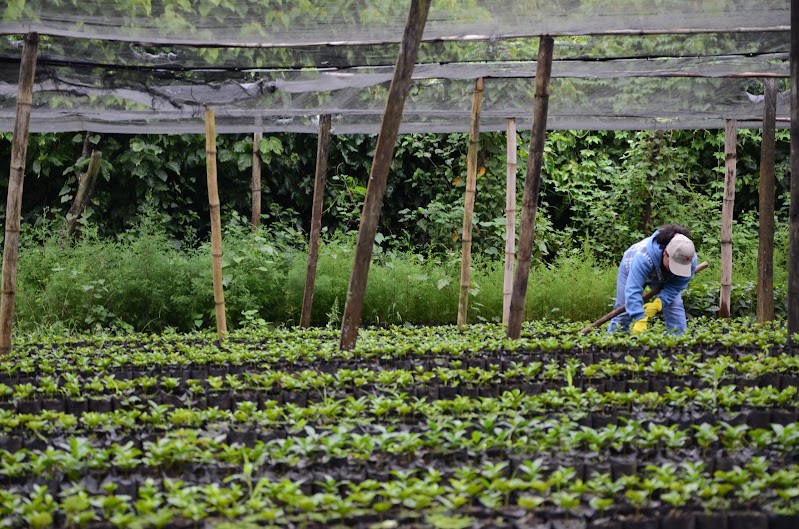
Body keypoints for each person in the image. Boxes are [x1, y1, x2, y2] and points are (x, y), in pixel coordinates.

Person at [608, 224, 698, 335]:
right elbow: (633, 290)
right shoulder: (644, 257)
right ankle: (613, 344)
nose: (676, 270)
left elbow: (676, 286)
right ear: (666, 253)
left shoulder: (689, 259)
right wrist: (639, 318)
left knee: (674, 307)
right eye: (674, 265)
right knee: (623, 310)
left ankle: (678, 344)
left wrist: (659, 303)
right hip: (630, 268)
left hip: (662, 274)